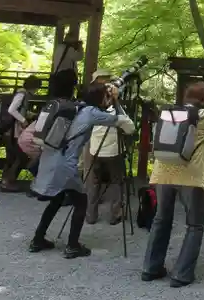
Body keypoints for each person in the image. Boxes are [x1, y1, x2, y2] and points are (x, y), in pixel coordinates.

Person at [142, 81, 204, 288]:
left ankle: (150, 268)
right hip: (190, 177)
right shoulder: (203, 116)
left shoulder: (170, 112)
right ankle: (181, 274)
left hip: (163, 172)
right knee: (194, 225)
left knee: (161, 220)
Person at [29, 81, 129, 258]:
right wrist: (116, 101)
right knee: (82, 202)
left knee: (57, 200)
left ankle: (38, 239)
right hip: (65, 165)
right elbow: (124, 123)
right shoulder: (91, 113)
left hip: (51, 159)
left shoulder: (76, 107)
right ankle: (72, 245)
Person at [85, 70, 135, 225]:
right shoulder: (116, 114)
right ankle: (115, 214)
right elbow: (130, 128)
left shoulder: (89, 110)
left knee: (93, 182)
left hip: (94, 150)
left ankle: (90, 215)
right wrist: (117, 101)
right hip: (113, 153)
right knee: (116, 182)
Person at [0, 75, 42, 192]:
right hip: (14, 131)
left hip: (14, 131)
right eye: (37, 88)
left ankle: (7, 181)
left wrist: (30, 115)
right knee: (18, 156)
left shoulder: (22, 94)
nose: (36, 91)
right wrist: (23, 120)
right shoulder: (22, 94)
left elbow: (20, 110)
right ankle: (7, 182)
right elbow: (12, 110)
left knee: (15, 157)